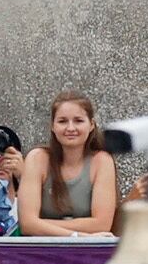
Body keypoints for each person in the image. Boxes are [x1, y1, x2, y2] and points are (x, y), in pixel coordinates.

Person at [20, 91, 121, 236]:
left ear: (91, 125)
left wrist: (40, 224)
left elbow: (102, 224)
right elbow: (27, 225)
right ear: (52, 126)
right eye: (62, 121)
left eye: (78, 121)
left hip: (87, 253)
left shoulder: (102, 161)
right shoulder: (37, 158)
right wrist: (78, 236)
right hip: (41, 253)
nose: (70, 128)